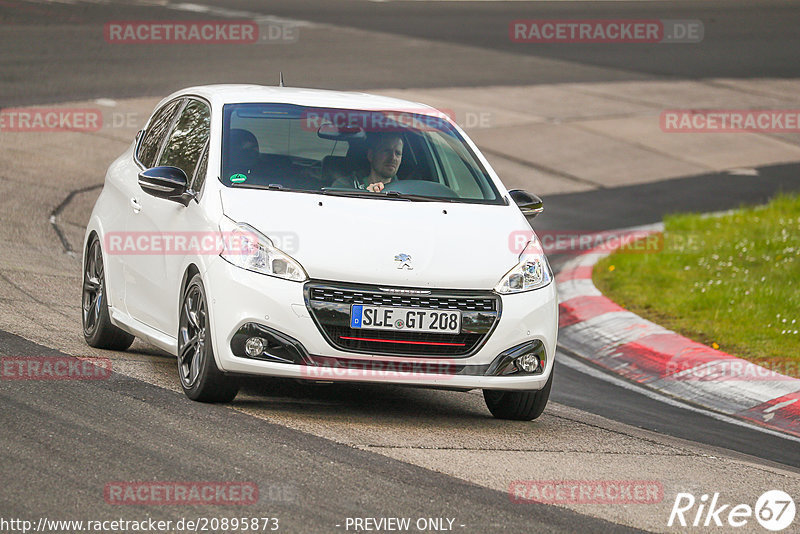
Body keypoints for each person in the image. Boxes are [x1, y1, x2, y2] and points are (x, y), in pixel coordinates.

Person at [331, 132, 403, 192]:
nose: (393, 157)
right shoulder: (343, 186)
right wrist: (366, 195)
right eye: (387, 151)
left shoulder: (404, 191)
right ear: (371, 155)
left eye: (398, 153)